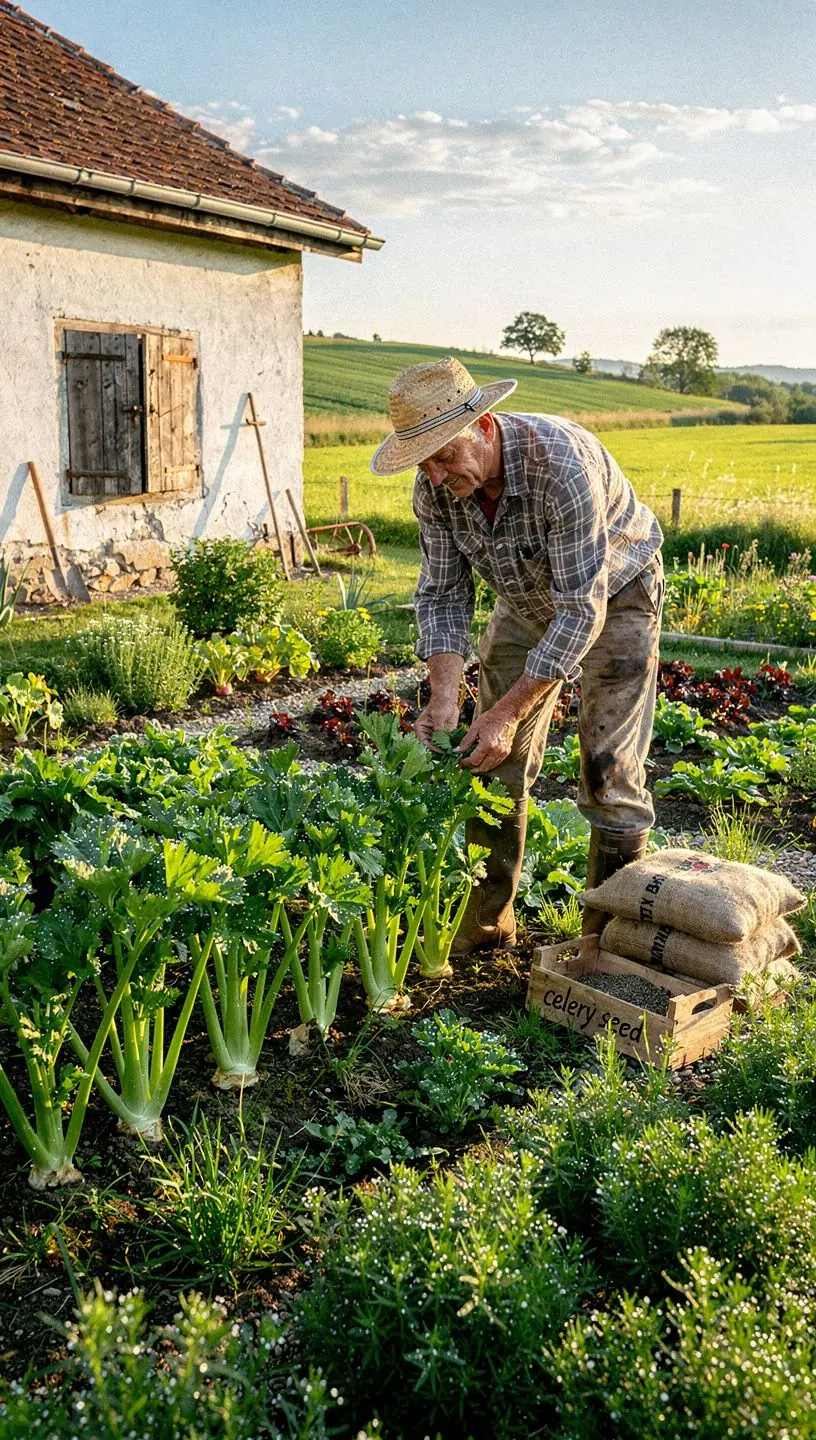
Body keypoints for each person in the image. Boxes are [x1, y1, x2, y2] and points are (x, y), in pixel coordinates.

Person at [370, 356, 664, 955]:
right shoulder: (435, 490)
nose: (435, 472)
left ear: (483, 428)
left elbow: (581, 610)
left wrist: (508, 711)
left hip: (615, 591)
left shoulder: (560, 466)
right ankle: (487, 926)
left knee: (609, 769)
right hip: (523, 598)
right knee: (487, 759)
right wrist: (446, 698)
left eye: (445, 455)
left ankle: (607, 946)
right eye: (423, 461)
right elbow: (443, 592)